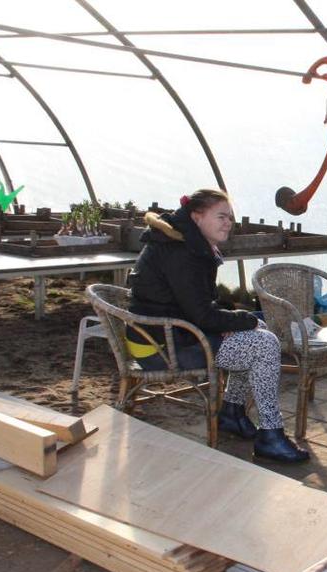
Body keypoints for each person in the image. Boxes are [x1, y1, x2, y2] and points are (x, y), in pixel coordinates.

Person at [127, 188, 308, 463]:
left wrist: (230, 321)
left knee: (250, 333)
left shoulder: (182, 241)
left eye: (230, 217)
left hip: (166, 335)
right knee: (264, 343)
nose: (228, 223)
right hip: (162, 349)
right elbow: (201, 314)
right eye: (221, 216)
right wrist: (240, 320)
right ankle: (270, 435)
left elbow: (196, 306)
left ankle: (232, 412)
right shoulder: (181, 252)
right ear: (197, 217)